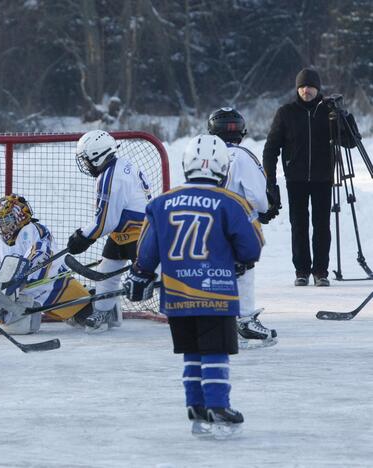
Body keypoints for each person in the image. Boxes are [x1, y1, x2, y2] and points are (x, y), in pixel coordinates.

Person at [124, 134, 264, 439]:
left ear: (186, 164)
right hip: (215, 291)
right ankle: (218, 405)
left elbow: (147, 250)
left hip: (177, 294)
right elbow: (250, 248)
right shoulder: (230, 202)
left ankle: (195, 405)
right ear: (222, 167)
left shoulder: (160, 203)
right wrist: (238, 258)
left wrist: (141, 273)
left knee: (191, 351)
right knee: (216, 351)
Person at [0, 194, 94, 335]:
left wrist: (19, 279)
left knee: (87, 317)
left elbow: (39, 254)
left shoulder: (34, 230)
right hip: (24, 296)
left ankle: (98, 301)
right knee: (12, 326)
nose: (3, 225)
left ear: (20, 217)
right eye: (0, 221)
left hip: (54, 287)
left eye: (7, 219)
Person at [66, 130, 152, 332]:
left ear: (97, 155)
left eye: (87, 159)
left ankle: (186, 309)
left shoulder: (110, 177)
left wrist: (83, 236)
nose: (85, 164)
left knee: (156, 276)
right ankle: (103, 312)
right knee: (107, 272)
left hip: (138, 233)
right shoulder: (120, 165)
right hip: (128, 229)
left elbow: (105, 221)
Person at [207, 107, 277, 348]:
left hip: (206, 221)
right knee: (243, 268)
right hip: (236, 222)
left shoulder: (203, 155)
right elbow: (257, 196)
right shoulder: (243, 156)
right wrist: (264, 209)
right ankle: (244, 320)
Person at [262, 67, 332, 287]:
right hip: (296, 179)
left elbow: (349, 141)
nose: (306, 91)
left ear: (317, 88)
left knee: (322, 225)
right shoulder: (286, 113)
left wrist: (342, 117)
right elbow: (271, 148)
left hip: (323, 178)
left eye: (310, 86)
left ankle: (320, 271)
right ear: (297, 89)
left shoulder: (329, 111)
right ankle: (301, 270)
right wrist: (270, 180)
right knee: (298, 225)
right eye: (302, 87)